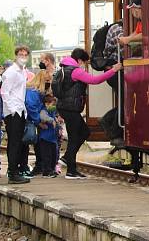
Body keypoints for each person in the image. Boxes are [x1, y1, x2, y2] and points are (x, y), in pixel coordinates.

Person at [54, 48, 121, 179]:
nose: (84, 65)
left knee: (84, 132)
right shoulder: (75, 71)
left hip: (65, 108)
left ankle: (67, 158)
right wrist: (113, 70)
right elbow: (94, 80)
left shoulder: (62, 69)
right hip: (71, 109)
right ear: (79, 60)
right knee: (75, 137)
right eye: (84, 62)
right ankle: (71, 170)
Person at [1, 45, 31, 183]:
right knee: (14, 143)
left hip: (20, 109)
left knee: (18, 142)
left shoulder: (22, 71)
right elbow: (4, 92)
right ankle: (13, 172)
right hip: (14, 112)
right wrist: (12, 110)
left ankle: (15, 170)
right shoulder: (11, 72)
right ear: (16, 55)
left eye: (25, 54)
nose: (23, 56)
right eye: (21, 54)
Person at [24, 70, 49, 176]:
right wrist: (39, 121)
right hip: (30, 120)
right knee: (31, 142)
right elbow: (31, 107)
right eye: (47, 81)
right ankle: (38, 166)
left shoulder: (36, 92)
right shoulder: (33, 92)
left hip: (34, 119)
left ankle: (40, 165)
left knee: (38, 144)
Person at [37, 94, 59, 177]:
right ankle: (47, 171)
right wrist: (51, 120)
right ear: (46, 104)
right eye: (52, 104)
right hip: (45, 138)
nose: (53, 106)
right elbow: (43, 117)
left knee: (54, 155)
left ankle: (52, 169)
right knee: (47, 156)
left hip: (52, 138)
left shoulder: (52, 112)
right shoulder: (44, 110)